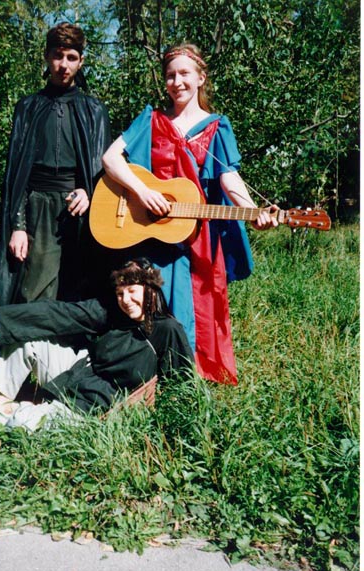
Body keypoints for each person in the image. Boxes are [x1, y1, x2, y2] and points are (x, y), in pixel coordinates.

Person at [102, 42, 278, 386]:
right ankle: (148, 378)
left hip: (198, 236)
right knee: (151, 300)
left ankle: (191, 380)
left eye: (184, 73)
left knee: (200, 302)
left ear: (201, 78)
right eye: (170, 75)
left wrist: (252, 211)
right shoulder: (151, 120)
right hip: (153, 231)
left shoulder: (216, 126)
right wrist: (143, 192)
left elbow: (229, 178)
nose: (176, 82)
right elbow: (110, 159)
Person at [0, 259, 194, 429]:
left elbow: (182, 382)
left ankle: (17, 410)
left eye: (132, 291)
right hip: (79, 374)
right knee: (28, 341)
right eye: (120, 293)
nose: (125, 300)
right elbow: (58, 313)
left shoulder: (166, 330)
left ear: (149, 289)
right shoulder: (110, 312)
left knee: (25, 423)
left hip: (102, 404)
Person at [0, 22, 111, 307]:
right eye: (58, 56)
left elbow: (105, 170)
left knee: (79, 289)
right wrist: (18, 226)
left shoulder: (94, 110)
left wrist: (89, 192)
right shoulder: (28, 107)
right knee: (35, 291)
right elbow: (17, 175)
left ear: (81, 61)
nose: (63, 65)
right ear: (46, 56)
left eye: (71, 57)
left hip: (80, 210)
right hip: (38, 207)